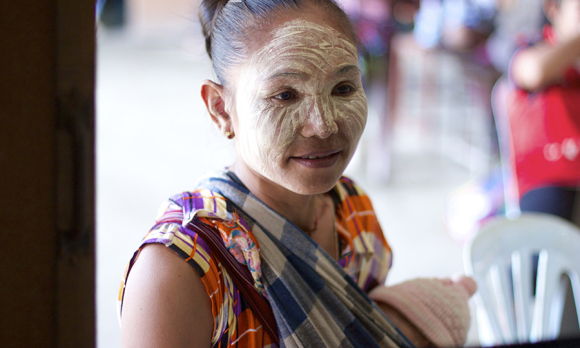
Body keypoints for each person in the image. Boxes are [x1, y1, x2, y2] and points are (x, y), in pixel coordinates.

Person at [117, 0, 477, 347]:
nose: (323, 126)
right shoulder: (179, 270)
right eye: (285, 95)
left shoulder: (354, 213)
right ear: (221, 110)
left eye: (343, 88)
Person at [508, 0, 580, 221]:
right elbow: (535, 72)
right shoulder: (530, 48)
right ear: (553, 8)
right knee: (547, 235)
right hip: (548, 179)